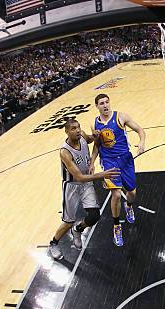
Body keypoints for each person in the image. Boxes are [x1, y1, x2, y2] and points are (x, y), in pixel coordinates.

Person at [49, 119, 120, 260]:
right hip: (72, 186)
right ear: (67, 131)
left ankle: (78, 230)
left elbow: (89, 139)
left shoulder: (81, 135)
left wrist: (95, 135)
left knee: (94, 216)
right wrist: (102, 174)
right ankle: (54, 243)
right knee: (68, 221)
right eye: (73, 128)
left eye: (78, 127)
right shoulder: (65, 152)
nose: (77, 130)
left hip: (86, 183)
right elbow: (79, 177)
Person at [91, 93, 146, 247]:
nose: (105, 105)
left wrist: (141, 142)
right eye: (101, 103)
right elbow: (97, 145)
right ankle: (116, 226)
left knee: (132, 193)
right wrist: (92, 161)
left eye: (107, 102)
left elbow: (140, 129)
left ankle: (128, 206)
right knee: (115, 194)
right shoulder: (95, 124)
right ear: (97, 106)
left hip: (126, 160)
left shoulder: (121, 117)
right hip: (108, 162)